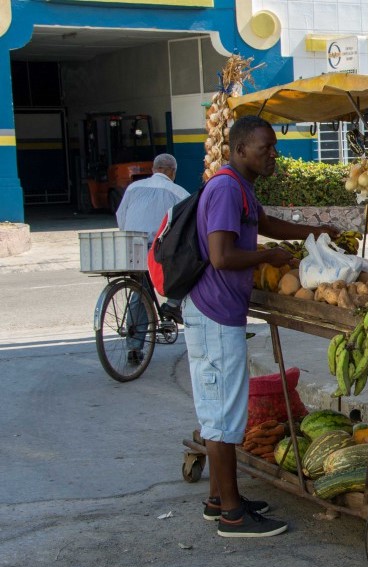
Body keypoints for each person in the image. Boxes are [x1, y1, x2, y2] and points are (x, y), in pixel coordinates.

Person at [183, 115, 338, 537]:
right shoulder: (226, 189)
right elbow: (221, 255)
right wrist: (268, 258)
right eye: (265, 148)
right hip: (213, 315)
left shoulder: (241, 187)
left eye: (273, 147)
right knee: (222, 417)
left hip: (220, 314)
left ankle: (219, 500)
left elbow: (265, 225)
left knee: (225, 412)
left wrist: (314, 232)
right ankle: (233, 516)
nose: (274, 154)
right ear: (239, 150)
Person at [116, 153, 190, 362]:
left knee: (140, 292)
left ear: (154, 170)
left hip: (132, 245)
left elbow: (121, 217)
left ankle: (133, 347)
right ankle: (173, 304)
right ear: (172, 172)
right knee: (189, 267)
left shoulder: (133, 188)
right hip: (160, 249)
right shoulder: (178, 192)